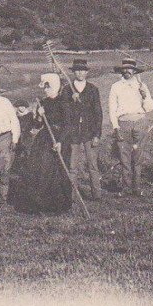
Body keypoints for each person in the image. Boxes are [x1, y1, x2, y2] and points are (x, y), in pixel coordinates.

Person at [13, 73, 73, 214]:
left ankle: (59, 205)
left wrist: (60, 141)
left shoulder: (63, 102)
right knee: (41, 168)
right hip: (45, 139)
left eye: (47, 87)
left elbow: (68, 125)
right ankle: (40, 204)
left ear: (55, 87)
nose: (45, 90)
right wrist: (39, 116)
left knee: (57, 171)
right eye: (44, 87)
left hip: (60, 139)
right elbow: (37, 125)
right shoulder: (43, 102)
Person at [108, 57, 153, 195]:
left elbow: (150, 108)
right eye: (124, 69)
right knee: (124, 158)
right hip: (123, 123)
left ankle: (137, 187)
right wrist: (116, 127)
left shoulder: (141, 86)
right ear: (121, 71)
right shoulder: (116, 86)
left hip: (139, 123)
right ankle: (126, 187)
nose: (127, 71)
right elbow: (112, 109)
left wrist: (145, 96)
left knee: (138, 158)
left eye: (130, 69)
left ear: (134, 71)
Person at [63, 58, 103, 201]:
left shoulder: (93, 89)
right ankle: (72, 196)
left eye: (83, 70)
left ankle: (96, 195)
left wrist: (97, 134)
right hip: (73, 134)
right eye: (77, 70)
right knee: (72, 166)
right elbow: (65, 112)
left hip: (89, 133)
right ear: (74, 72)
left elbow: (98, 113)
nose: (80, 73)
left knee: (92, 165)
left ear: (87, 72)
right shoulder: (67, 90)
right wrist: (72, 101)